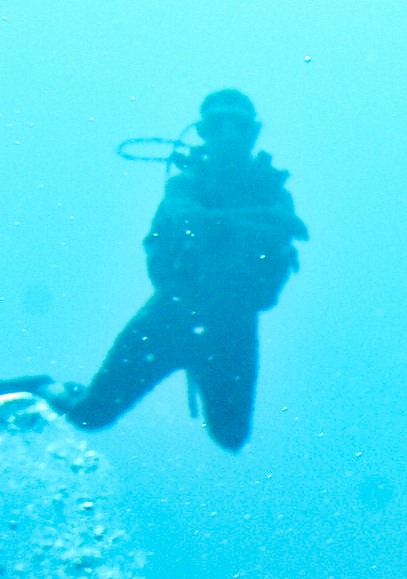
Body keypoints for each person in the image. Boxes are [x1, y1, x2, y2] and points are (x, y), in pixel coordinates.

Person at [4, 90, 306, 452]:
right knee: (90, 415)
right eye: (216, 124)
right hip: (170, 316)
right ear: (203, 132)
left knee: (231, 437)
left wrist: (225, 223)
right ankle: (41, 387)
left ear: (253, 132)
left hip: (232, 328)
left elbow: (266, 230)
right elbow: (184, 218)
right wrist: (254, 222)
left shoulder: (273, 190)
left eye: (237, 124)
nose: (227, 133)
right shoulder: (187, 182)